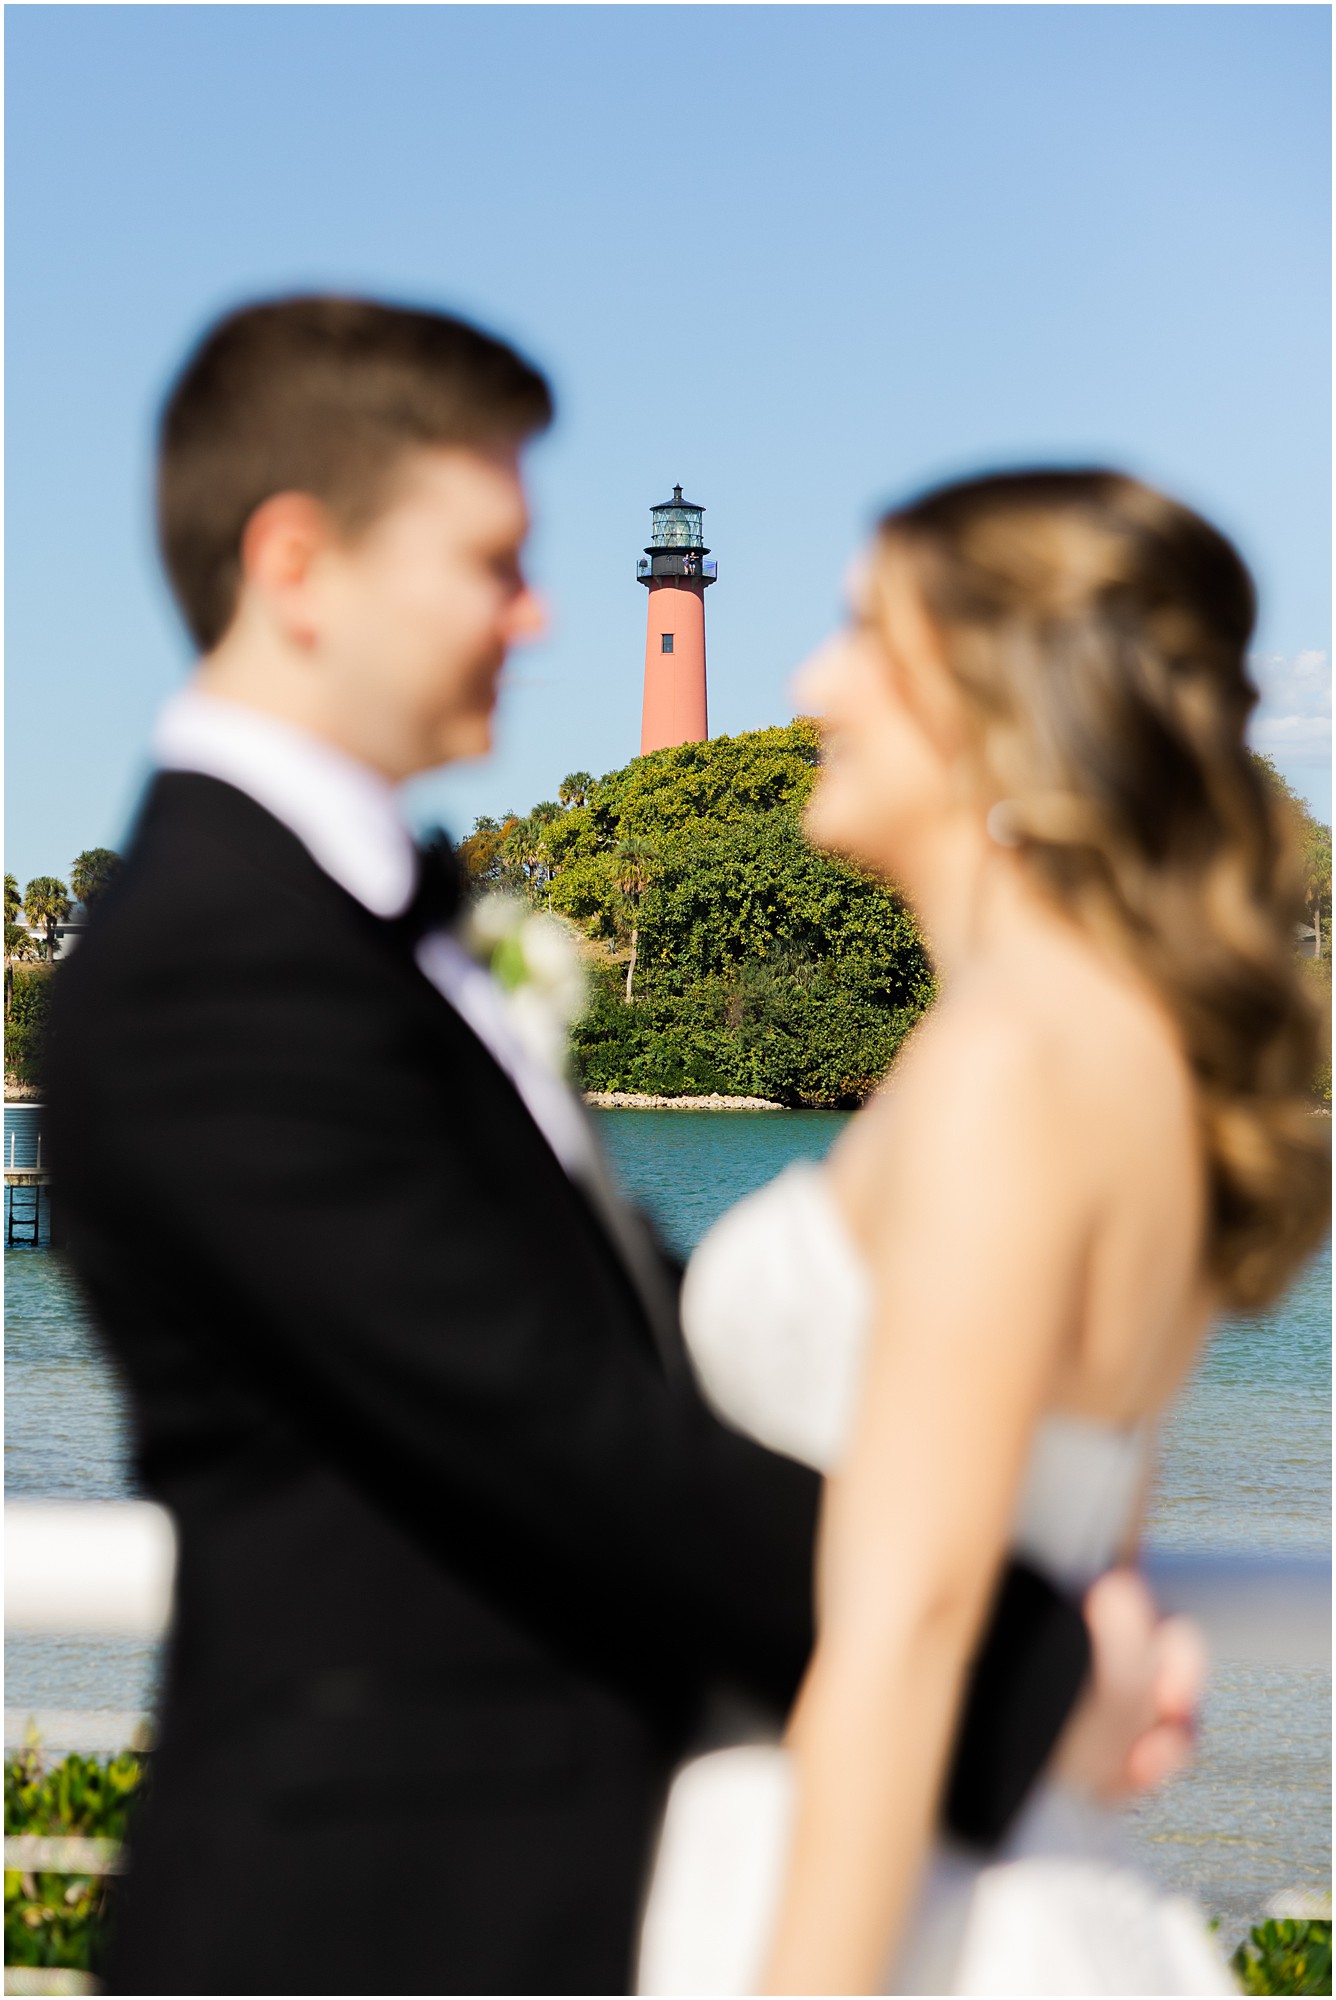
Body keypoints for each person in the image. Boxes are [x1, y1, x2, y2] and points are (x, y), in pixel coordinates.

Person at [48, 301, 1199, 1997]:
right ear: (296, 565)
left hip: (595, 1885)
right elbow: (543, 1421)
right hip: (372, 1920)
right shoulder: (209, 967)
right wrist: (1026, 1678)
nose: (546, 609)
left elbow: (615, 1339)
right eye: (494, 561)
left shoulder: (366, 939)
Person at [637, 469, 1330, 1994]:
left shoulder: (1008, 1066)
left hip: (876, 1900)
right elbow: (1084, 1538)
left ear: (991, 703)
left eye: (859, 635)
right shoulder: (1126, 1051)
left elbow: (908, 1635)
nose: (811, 682)